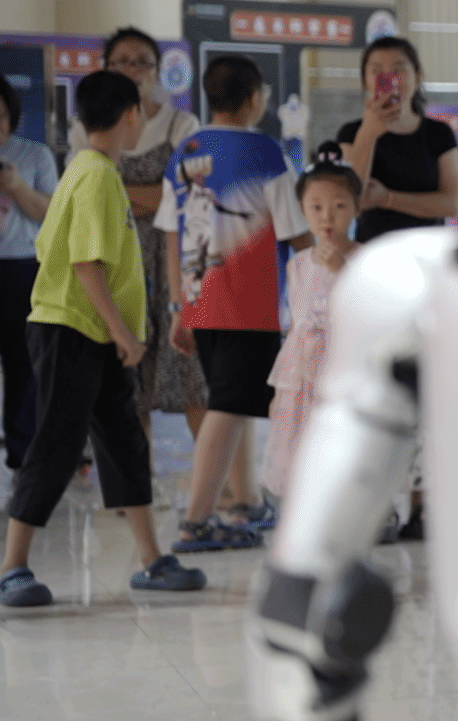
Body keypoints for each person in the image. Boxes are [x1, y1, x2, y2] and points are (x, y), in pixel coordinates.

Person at [0, 71, 207, 607]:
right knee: (57, 442)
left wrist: (118, 334)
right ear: (131, 115)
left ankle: (151, 560)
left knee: (123, 441)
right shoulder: (94, 175)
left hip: (95, 332)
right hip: (73, 329)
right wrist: (122, 333)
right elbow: (85, 263)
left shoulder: (89, 170)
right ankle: (12, 566)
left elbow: (67, 250)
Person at [159, 55, 312, 553]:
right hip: (249, 304)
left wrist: (178, 306)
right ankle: (196, 522)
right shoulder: (265, 152)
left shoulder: (186, 151)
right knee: (227, 406)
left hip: (199, 301)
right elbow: (296, 231)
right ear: (252, 99)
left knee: (235, 400)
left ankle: (246, 503)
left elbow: (170, 235)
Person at [71, 30, 215, 472]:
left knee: (191, 374)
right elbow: (88, 193)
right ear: (105, 68)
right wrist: (156, 193)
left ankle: (220, 482)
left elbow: (187, 197)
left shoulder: (181, 125)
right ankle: (138, 480)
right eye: (122, 61)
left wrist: (127, 192)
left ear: (157, 71)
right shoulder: (84, 126)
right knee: (128, 377)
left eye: (142, 62)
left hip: (173, 260)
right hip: (116, 257)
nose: (133, 71)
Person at [262, 142, 359, 500]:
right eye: (315, 207)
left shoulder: (365, 260)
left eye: (339, 206)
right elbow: (296, 328)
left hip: (343, 373)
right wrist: (280, 392)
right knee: (303, 452)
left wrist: (341, 269)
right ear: (302, 210)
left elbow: (368, 309)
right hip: (303, 380)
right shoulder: (298, 264)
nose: (327, 217)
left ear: (357, 207)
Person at [338, 37, 458, 242]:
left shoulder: (438, 133)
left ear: (417, 76)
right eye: (377, 71)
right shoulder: (351, 133)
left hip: (428, 250)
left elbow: (452, 204)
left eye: (399, 69)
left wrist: (388, 198)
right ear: (365, 81)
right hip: (373, 251)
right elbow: (351, 201)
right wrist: (368, 133)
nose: (389, 78)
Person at [0, 76, 59, 469]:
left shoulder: (35, 155)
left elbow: (52, 212)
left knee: (23, 363)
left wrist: (17, 186)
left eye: (1, 115)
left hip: (21, 268)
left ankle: (23, 456)